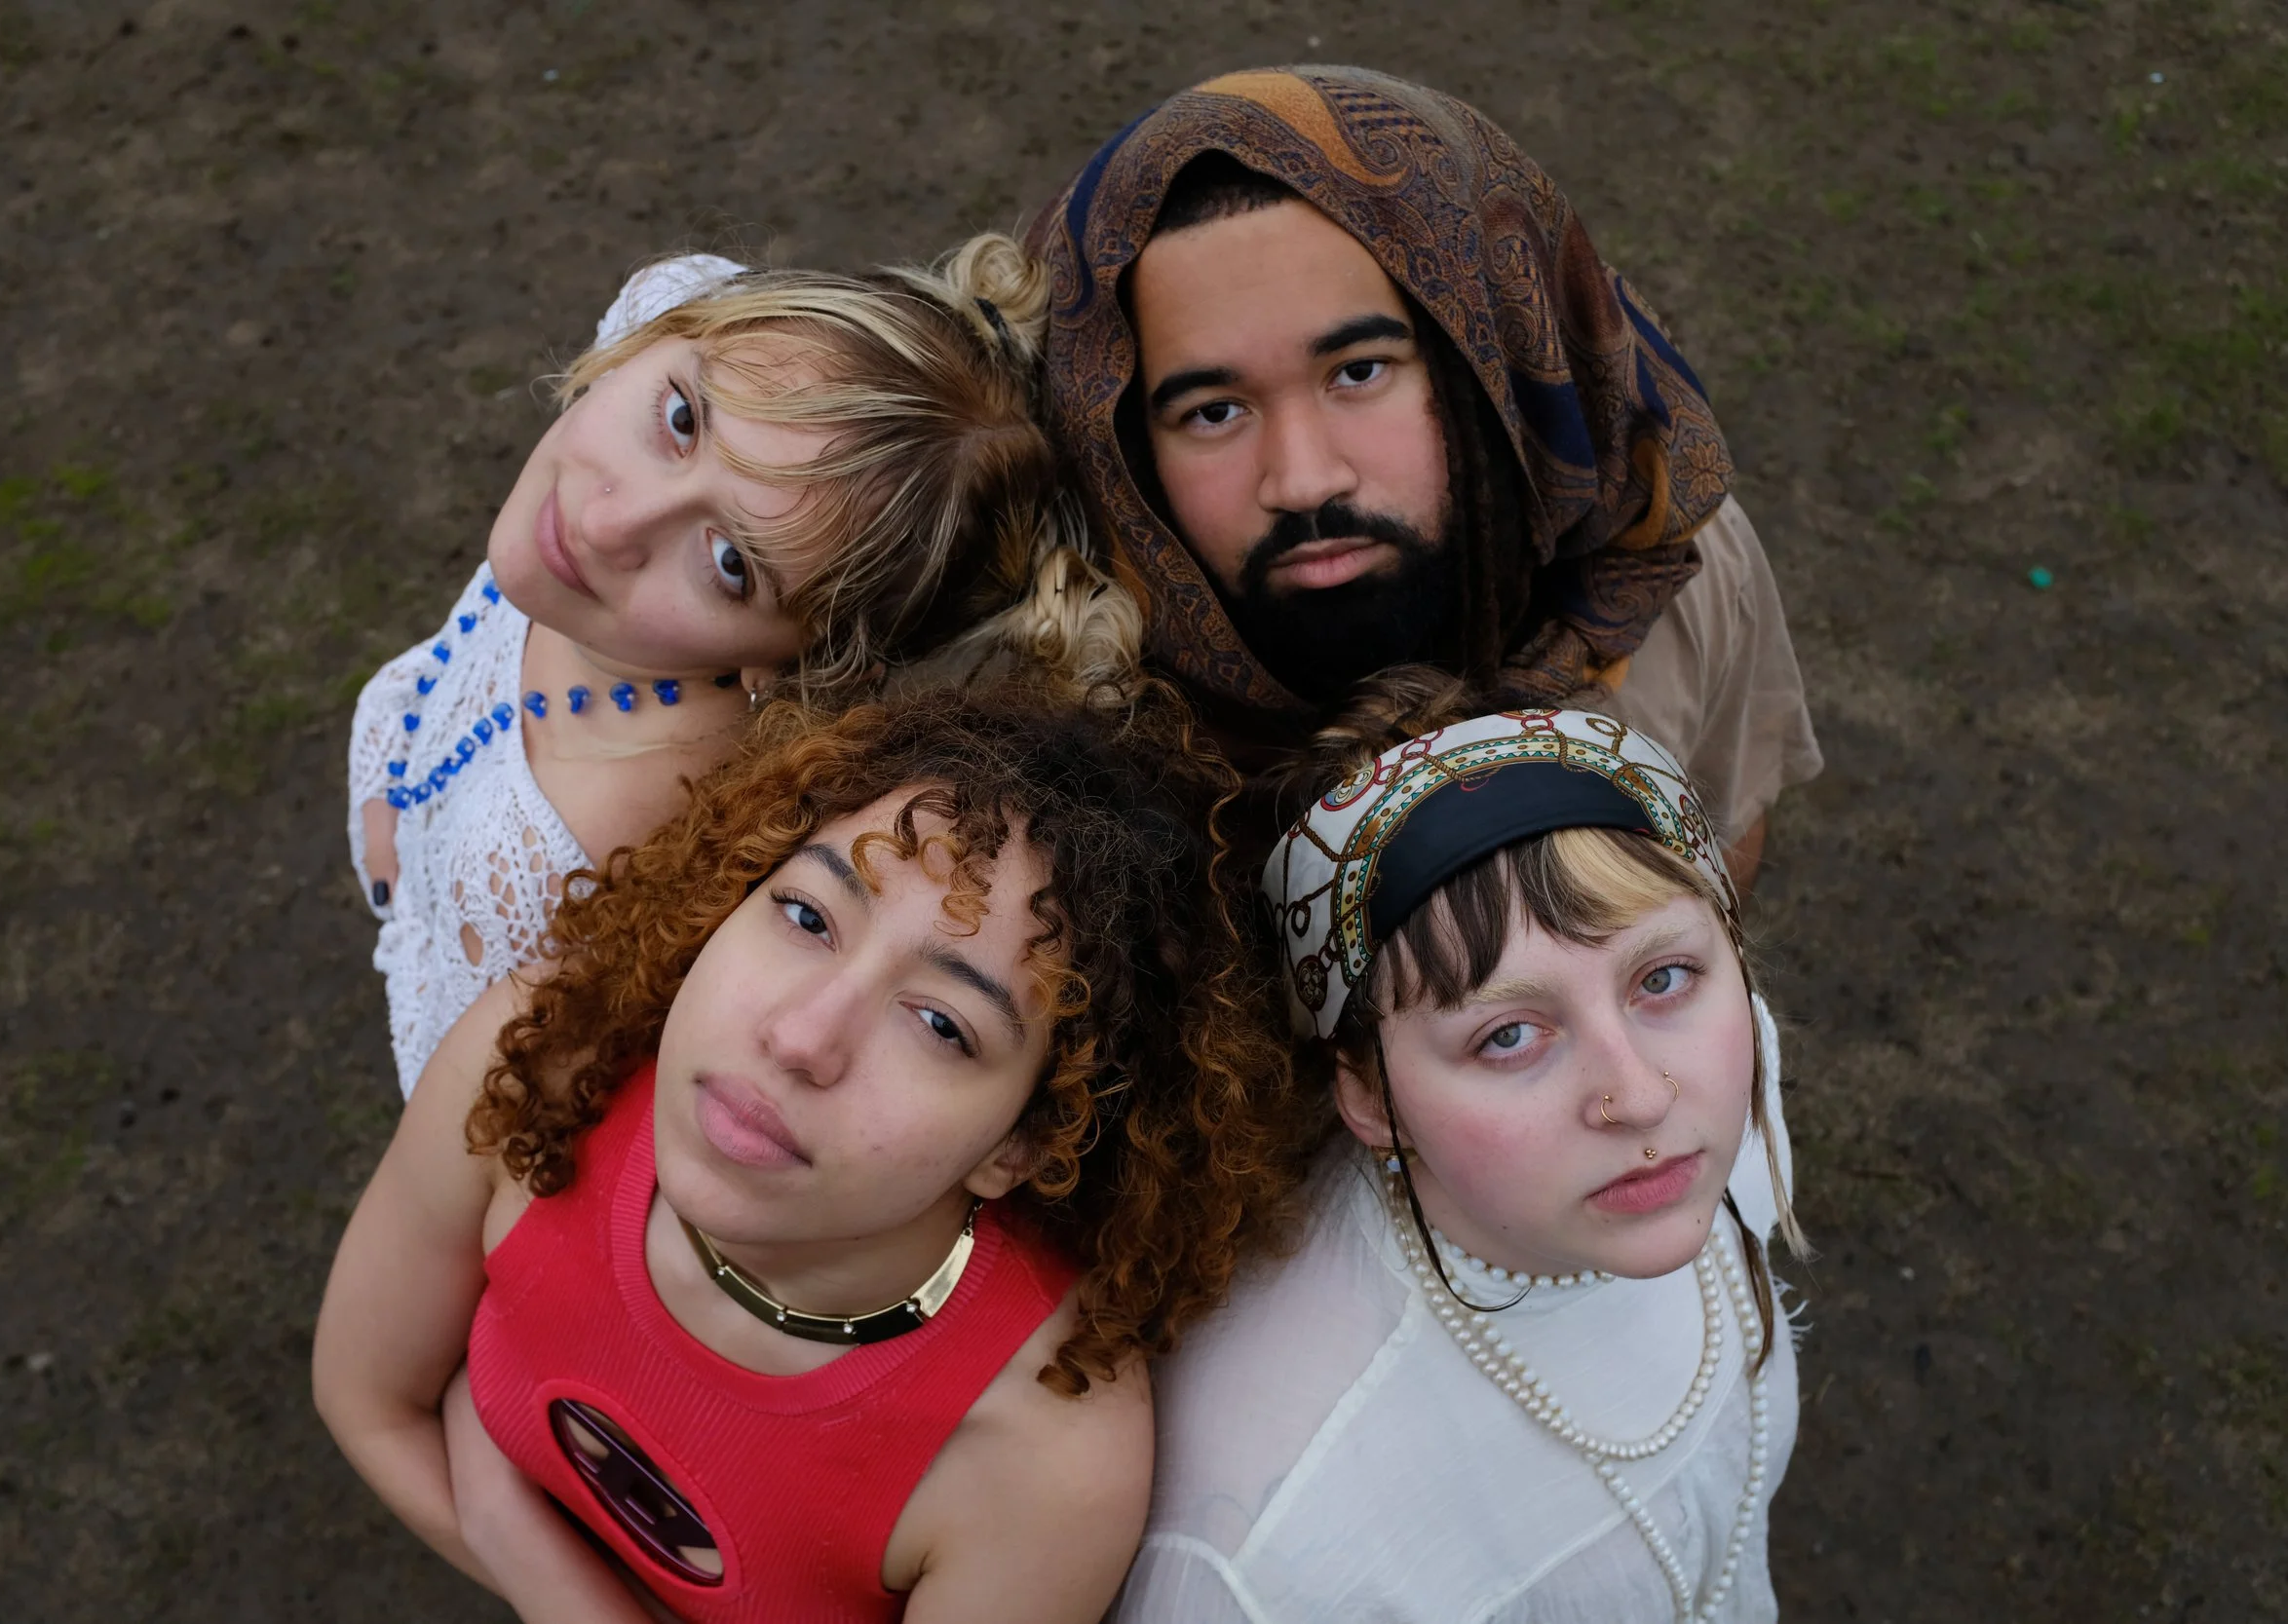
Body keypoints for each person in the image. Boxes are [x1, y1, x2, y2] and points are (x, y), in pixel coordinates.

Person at [313, 685, 1304, 1624]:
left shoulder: (1037, 1462)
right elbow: (370, 1405)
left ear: (1021, 1144)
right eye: (806, 915)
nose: (800, 1036)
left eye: (940, 1023)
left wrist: (511, 1525)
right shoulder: (546, 1051)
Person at [347, 240, 1134, 1093]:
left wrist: (416, 890)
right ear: (673, 332)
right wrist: (395, 789)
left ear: (791, 664)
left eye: (730, 564)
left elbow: (464, 1092)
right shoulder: (684, 307)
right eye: (684, 421)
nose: (606, 524)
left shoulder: (573, 849)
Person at [1111, 678, 1804, 1621]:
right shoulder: (1276, 1552)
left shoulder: (1728, 1088)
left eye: (1664, 976)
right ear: (1367, 1092)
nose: (1641, 1095)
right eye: (1507, 1035)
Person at [1029, 66, 1822, 884]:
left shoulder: (1674, 574)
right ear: (1124, 456)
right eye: (1214, 411)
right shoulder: (1055, 730)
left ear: (1487, 360)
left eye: (1359, 370)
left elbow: (1725, 839)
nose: (1304, 482)